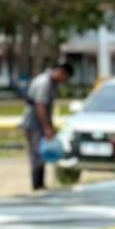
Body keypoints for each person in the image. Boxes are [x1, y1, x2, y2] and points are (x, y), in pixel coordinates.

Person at [20, 61, 74, 191]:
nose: (64, 81)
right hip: (34, 124)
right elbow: (40, 106)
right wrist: (47, 127)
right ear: (61, 72)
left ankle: (40, 183)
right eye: (65, 77)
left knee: (41, 153)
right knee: (36, 154)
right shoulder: (44, 83)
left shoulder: (49, 82)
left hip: (39, 123)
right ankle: (37, 184)